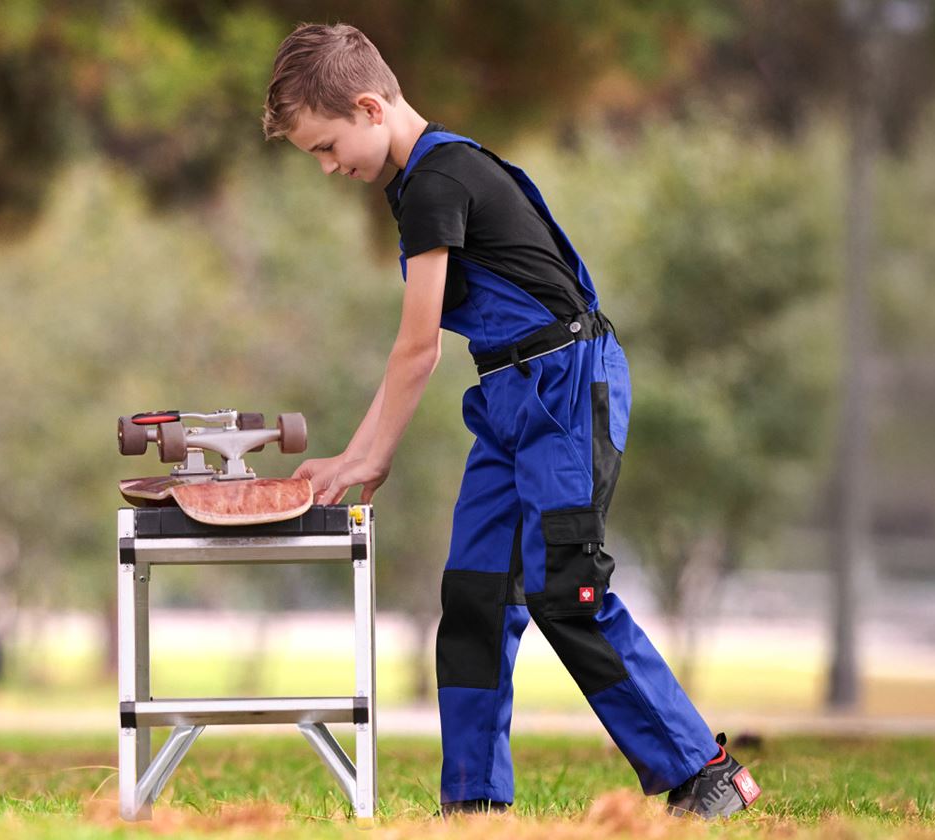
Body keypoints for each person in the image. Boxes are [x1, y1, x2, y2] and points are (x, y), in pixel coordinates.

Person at [263, 22, 761, 819]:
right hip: (507, 394)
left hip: (565, 386)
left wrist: (366, 458)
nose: (327, 166)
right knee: (476, 595)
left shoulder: (439, 180)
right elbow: (428, 345)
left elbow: (416, 348)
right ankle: (473, 804)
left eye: (326, 147)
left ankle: (707, 772)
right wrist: (354, 454)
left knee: (566, 588)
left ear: (368, 107)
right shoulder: (417, 184)